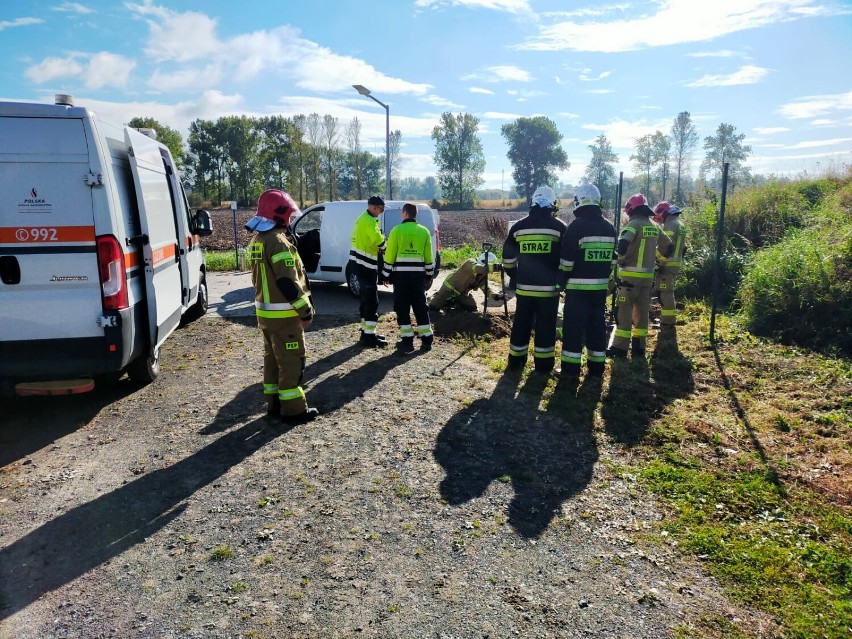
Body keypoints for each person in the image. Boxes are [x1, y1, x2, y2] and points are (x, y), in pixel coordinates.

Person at [246, 189, 318, 424]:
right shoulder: (278, 243)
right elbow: (288, 283)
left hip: (265, 315)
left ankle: (274, 404)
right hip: (284, 317)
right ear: (281, 215)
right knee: (291, 361)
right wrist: (305, 311)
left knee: (272, 360)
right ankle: (294, 409)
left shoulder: (257, 240)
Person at [557, 182, 617, 381]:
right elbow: (613, 260)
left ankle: (570, 371)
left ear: (579, 201)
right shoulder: (610, 228)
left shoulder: (576, 227)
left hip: (577, 290)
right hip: (599, 289)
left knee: (573, 329)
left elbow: (566, 262)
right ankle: (596, 368)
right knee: (596, 327)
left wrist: (561, 281)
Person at [502, 185, 566, 373]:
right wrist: (561, 281)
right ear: (552, 205)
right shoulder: (559, 227)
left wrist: (515, 276)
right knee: (546, 327)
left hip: (524, 289)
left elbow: (507, 259)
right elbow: (566, 258)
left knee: (521, 324)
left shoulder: (519, 227)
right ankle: (543, 366)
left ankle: (516, 362)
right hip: (549, 291)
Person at [607, 194, 673, 358]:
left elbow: (622, 246)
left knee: (623, 312)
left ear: (631, 209)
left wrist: (619, 258)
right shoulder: (654, 226)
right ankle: (639, 348)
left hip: (629, 279)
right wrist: (660, 261)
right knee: (642, 313)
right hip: (647, 279)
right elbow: (669, 246)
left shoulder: (633, 224)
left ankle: (620, 348)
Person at [380, 202, 435, 354]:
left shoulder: (396, 231)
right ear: (414, 214)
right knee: (420, 307)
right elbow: (429, 257)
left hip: (401, 278)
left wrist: (385, 275)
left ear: (405, 213)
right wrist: (429, 274)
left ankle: (407, 342)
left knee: (402, 308)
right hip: (418, 277)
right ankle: (427, 339)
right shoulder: (424, 232)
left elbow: (389, 255)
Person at [349, 196, 387, 347]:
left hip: (360, 265)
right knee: (372, 301)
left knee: (365, 300)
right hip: (366, 266)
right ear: (374, 207)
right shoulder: (368, 221)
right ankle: (369, 337)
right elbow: (378, 239)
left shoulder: (363, 218)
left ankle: (366, 333)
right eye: (381, 209)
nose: (382, 212)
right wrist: (386, 247)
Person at [653, 201, 687, 329]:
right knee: (667, 292)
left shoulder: (670, 225)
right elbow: (684, 247)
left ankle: (667, 322)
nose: (659, 219)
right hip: (674, 264)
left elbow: (667, 246)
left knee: (665, 293)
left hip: (667, 264)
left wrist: (659, 260)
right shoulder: (679, 224)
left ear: (664, 213)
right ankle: (667, 320)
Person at [428, 252, 501, 312]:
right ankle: (434, 298)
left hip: (461, 294)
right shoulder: (470, 263)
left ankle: (454, 304)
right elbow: (479, 269)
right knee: (433, 309)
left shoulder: (482, 276)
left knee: (471, 307)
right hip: (449, 289)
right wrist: (495, 267)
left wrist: (497, 296)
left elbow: (487, 290)